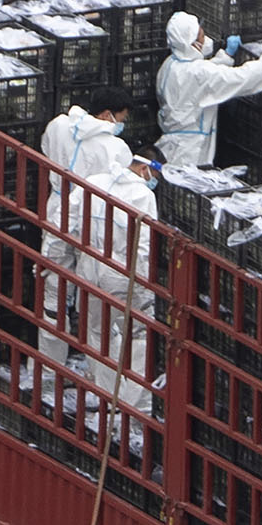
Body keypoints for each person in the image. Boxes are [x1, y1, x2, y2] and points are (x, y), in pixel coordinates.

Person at [38, 88, 133, 369]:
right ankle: (98, 378)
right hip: (92, 222)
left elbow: (45, 149)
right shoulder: (115, 148)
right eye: (121, 119)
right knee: (95, 301)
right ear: (107, 115)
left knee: (53, 296)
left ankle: (47, 373)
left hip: (57, 211)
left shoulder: (57, 126)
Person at [77, 148, 164, 411]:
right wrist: (145, 283)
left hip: (89, 266)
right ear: (143, 169)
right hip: (121, 272)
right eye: (155, 175)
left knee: (97, 332)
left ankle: (108, 396)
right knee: (139, 332)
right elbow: (145, 244)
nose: (154, 181)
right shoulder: (143, 195)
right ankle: (135, 404)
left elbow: (68, 218)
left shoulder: (94, 182)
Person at [155, 11, 262, 167]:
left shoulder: (169, 64)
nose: (205, 40)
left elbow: (203, 77)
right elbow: (240, 78)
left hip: (172, 144)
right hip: (192, 151)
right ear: (191, 42)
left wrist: (226, 56)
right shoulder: (199, 73)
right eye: (201, 36)